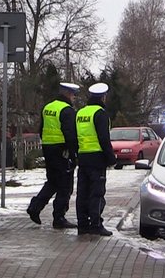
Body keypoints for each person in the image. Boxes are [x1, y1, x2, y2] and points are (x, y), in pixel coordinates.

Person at [26, 83, 80, 228]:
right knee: (65, 186)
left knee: (52, 182)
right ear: (68, 94)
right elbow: (71, 135)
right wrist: (74, 154)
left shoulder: (47, 107)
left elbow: (41, 129)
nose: (74, 98)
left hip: (49, 149)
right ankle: (59, 218)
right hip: (62, 151)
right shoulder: (67, 111)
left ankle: (35, 207)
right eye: (74, 95)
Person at [75, 83, 117, 236]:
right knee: (97, 193)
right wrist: (111, 158)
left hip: (83, 158)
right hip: (97, 159)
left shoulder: (80, 113)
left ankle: (82, 225)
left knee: (82, 193)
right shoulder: (101, 113)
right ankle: (96, 224)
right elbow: (104, 138)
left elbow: (75, 137)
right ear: (103, 97)